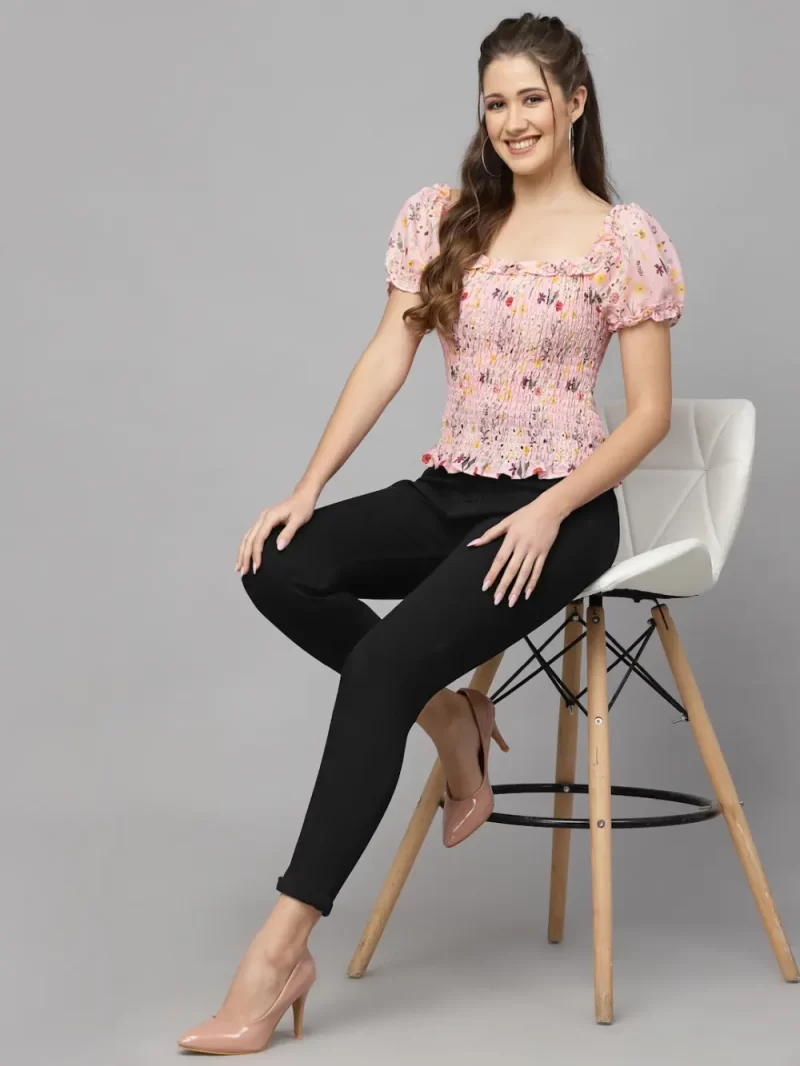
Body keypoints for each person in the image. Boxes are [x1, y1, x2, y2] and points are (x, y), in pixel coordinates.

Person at [177, 11, 686, 1055]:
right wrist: (307, 486)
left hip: (560, 511)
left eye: (532, 98)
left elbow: (647, 417)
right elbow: (386, 354)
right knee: (280, 565)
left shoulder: (622, 239)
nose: (512, 120)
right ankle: (450, 720)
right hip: (451, 488)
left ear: (575, 103)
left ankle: (279, 951)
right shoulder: (446, 218)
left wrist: (550, 509)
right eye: (495, 102)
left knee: (377, 670)